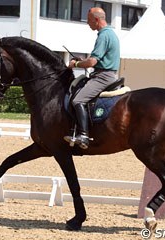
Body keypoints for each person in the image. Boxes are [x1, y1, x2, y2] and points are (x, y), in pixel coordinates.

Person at [64, 7, 120, 149]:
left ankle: (83, 134)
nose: (88, 23)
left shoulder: (104, 35)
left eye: (89, 20)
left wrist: (75, 63)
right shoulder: (109, 33)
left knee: (78, 100)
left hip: (103, 76)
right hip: (106, 73)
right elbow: (95, 60)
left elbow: (92, 63)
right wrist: (82, 60)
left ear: (96, 20)